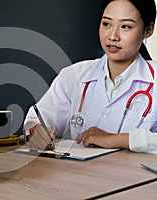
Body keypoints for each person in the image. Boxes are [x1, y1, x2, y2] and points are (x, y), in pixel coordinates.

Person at [24, 0, 157, 154]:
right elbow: (37, 119)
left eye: (126, 26)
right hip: (81, 175)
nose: (113, 36)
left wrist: (117, 139)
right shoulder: (74, 75)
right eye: (107, 24)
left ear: (148, 30)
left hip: (137, 177)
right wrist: (37, 131)